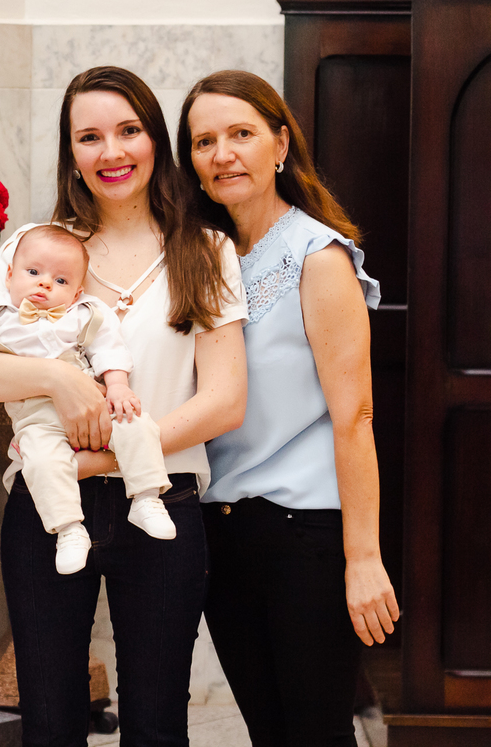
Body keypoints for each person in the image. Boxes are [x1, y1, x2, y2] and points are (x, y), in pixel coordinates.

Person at [0, 66, 248, 746]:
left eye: (129, 131)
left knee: (157, 725)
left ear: (155, 140)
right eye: (89, 137)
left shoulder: (205, 249)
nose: (111, 152)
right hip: (48, 506)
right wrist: (57, 381)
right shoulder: (37, 249)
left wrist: (110, 455)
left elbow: (225, 400)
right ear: (70, 151)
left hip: (164, 501)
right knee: (50, 722)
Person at [178, 69, 399, 747]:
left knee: (315, 736)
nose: (223, 154)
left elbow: (355, 417)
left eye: (241, 134)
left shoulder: (317, 257)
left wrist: (363, 557)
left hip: (307, 535)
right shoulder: (201, 257)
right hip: (223, 532)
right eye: (204, 141)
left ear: (279, 145)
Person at [0, 224, 175, 576]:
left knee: (137, 424)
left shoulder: (83, 314)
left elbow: (109, 347)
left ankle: (147, 497)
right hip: (36, 416)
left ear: (77, 292)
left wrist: (117, 385)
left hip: (93, 406)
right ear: (9, 276)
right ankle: (69, 529)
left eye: (60, 280)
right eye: (33, 272)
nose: (44, 284)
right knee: (42, 460)